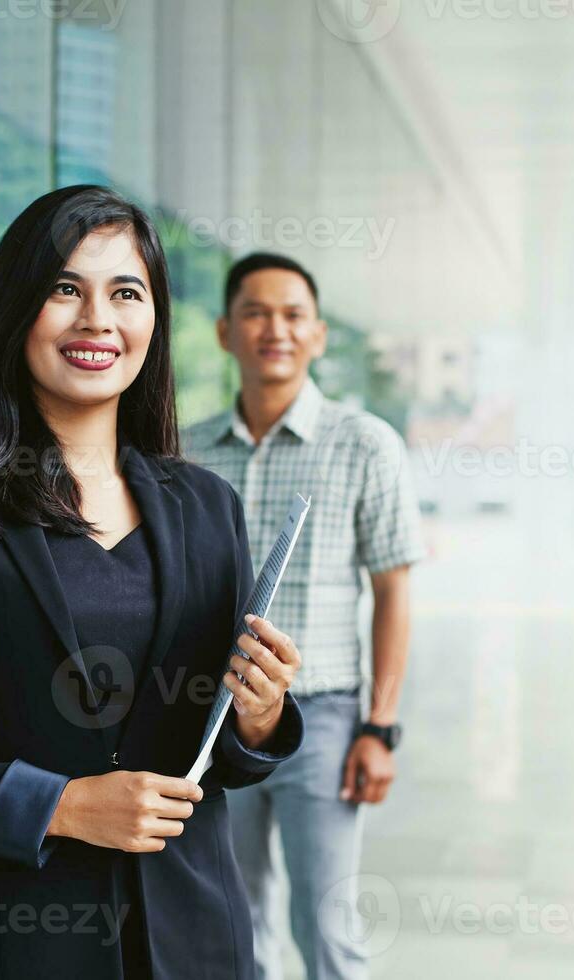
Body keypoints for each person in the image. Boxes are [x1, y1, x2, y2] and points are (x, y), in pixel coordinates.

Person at [0, 187, 305, 980]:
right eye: (64, 288)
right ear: (17, 307)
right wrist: (61, 806)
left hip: (191, 936)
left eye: (126, 293)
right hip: (4, 940)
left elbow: (220, 759)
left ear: (156, 319)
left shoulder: (208, 508)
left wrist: (259, 715)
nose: (97, 320)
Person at [182, 253, 427, 980]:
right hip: (210, 716)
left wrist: (378, 727)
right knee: (235, 922)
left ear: (318, 335)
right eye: (256, 313)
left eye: (293, 315)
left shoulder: (365, 443)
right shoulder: (184, 450)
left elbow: (393, 591)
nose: (275, 329)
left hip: (320, 714)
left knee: (326, 925)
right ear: (227, 331)